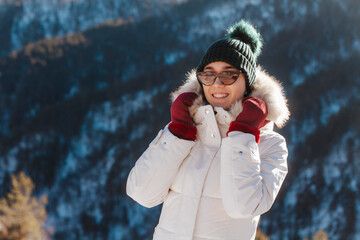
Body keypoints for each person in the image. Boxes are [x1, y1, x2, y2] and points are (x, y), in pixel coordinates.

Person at [126, 19, 290, 240]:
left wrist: (243, 135)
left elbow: (243, 207)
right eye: (208, 74)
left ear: (248, 81)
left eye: (229, 74)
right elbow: (141, 193)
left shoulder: (271, 145)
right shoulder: (185, 130)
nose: (217, 83)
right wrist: (177, 134)